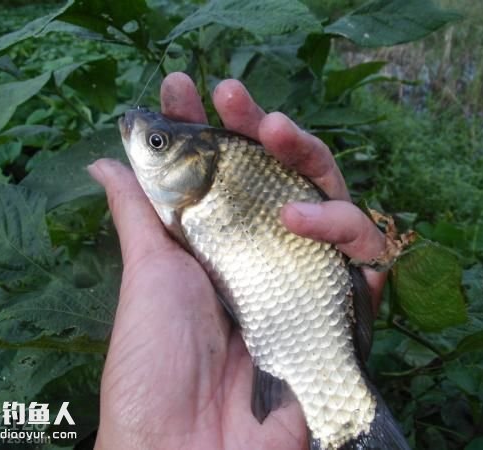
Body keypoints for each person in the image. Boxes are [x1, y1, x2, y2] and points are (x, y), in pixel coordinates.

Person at [88, 72, 387, 449]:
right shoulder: (182, 220)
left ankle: (349, 426)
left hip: (302, 325)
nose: (139, 136)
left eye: (156, 143)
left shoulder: (192, 204)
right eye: (158, 142)